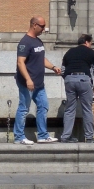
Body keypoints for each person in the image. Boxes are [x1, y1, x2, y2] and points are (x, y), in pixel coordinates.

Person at [14, 16, 61, 145]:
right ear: (34, 25)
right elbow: (20, 62)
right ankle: (19, 137)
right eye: (42, 26)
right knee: (24, 109)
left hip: (39, 83)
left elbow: (41, 58)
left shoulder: (38, 42)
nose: (44, 29)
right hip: (27, 83)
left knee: (43, 106)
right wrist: (28, 79)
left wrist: (53, 67)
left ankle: (43, 136)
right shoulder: (25, 42)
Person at [59, 34, 94, 143]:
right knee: (87, 109)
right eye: (91, 43)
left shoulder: (69, 52)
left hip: (69, 80)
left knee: (69, 109)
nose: (91, 45)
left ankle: (66, 136)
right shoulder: (91, 52)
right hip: (84, 80)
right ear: (86, 42)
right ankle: (89, 137)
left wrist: (68, 79)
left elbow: (62, 71)